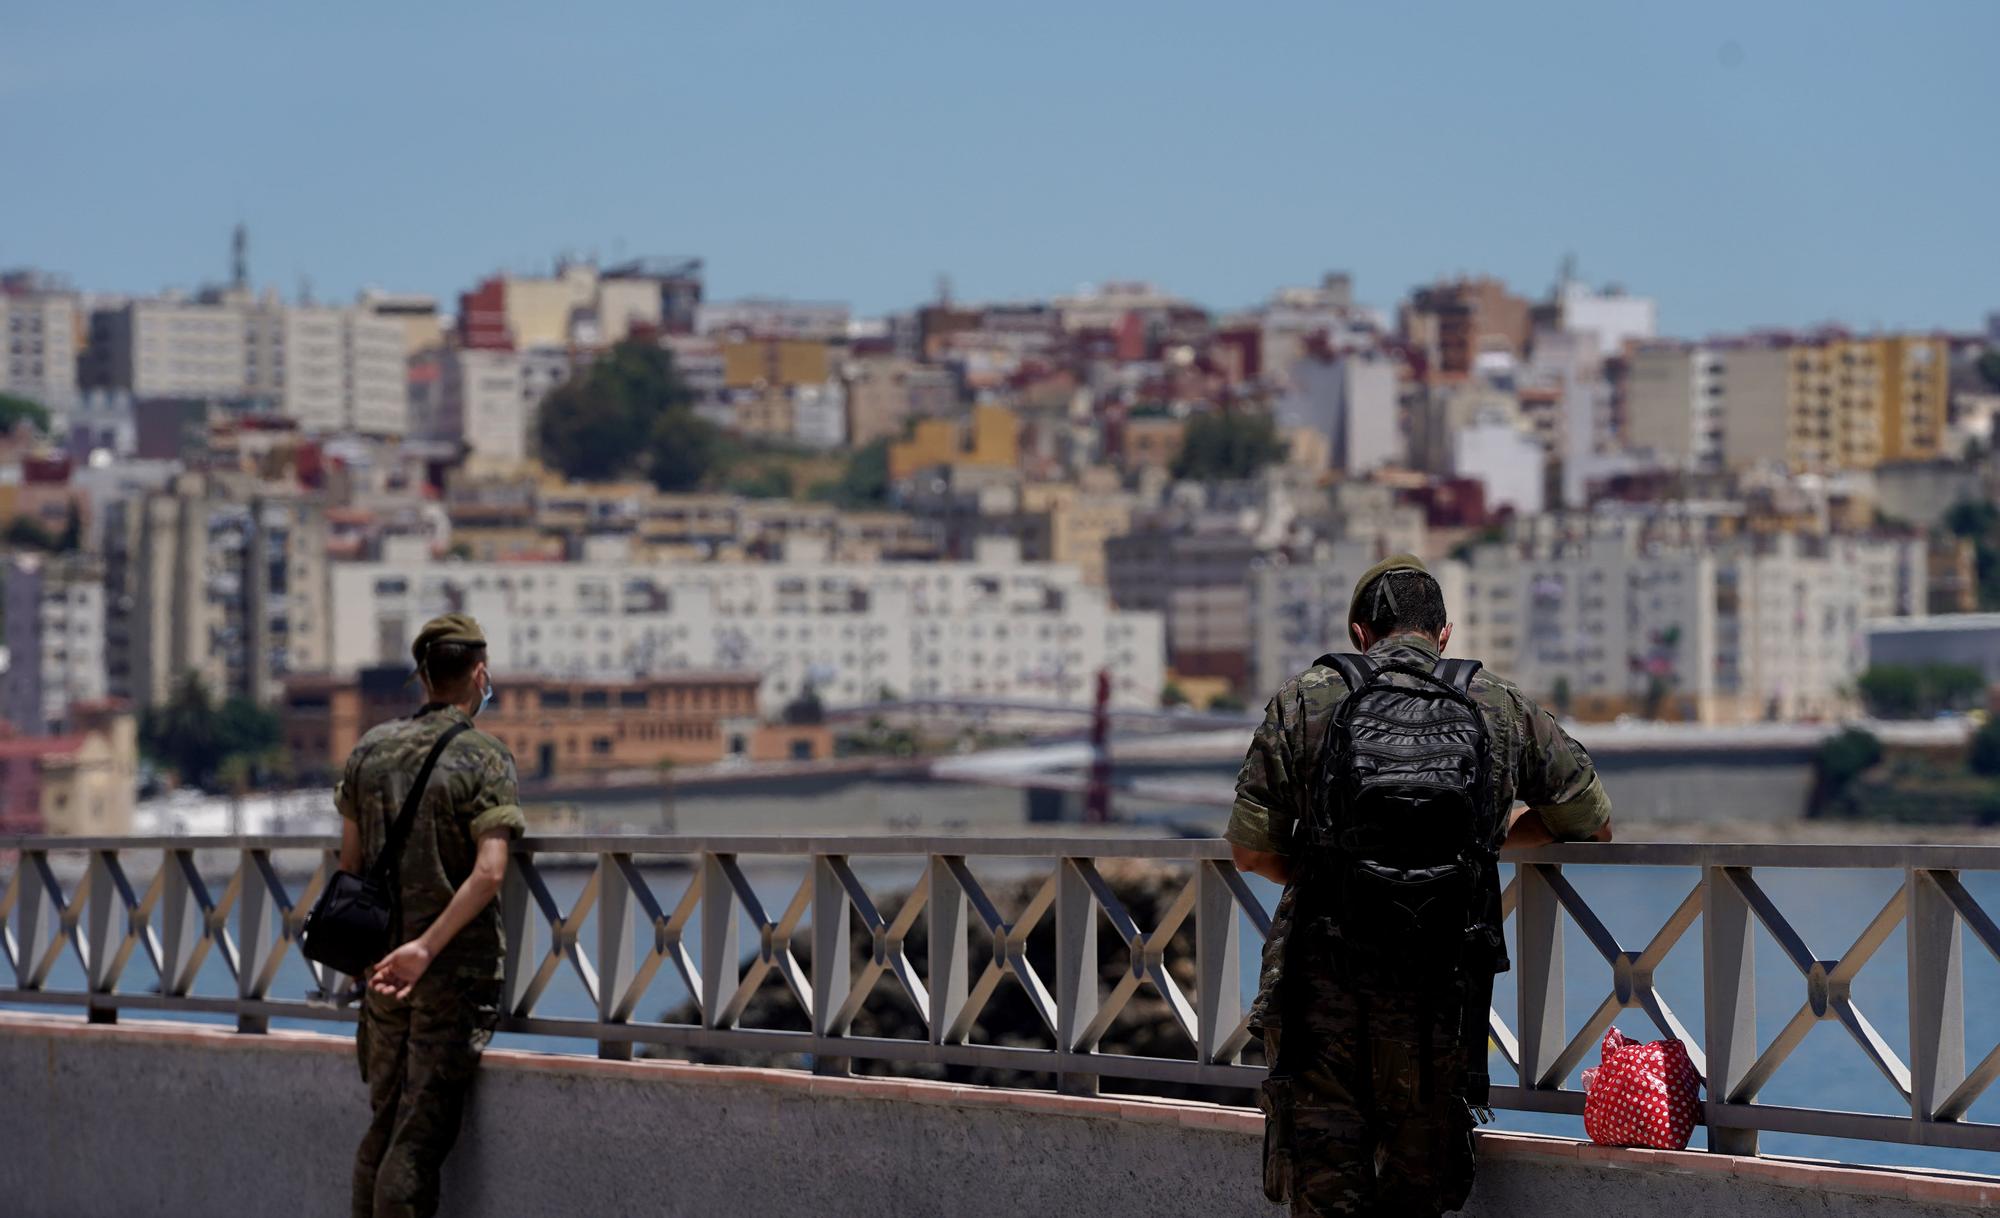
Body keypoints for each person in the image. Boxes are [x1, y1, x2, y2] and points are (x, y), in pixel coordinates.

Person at [1229, 555, 1612, 1217]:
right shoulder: (1494, 702)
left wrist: (1334, 877)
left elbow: (1250, 850)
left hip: (1324, 991)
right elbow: (1589, 821)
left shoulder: (1306, 699)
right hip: (1442, 991)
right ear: (1445, 633)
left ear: (1359, 632)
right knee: (1419, 1193)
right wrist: (1485, 842)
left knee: (1328, 1195)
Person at [337, 613, 525, 1218]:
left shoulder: (369, 750)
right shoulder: (485, 758)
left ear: (422, 676)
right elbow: (490, 870)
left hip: (381, 970)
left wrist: (383, 956)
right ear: (479, 674)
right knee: (418, 1139)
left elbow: (351, 867)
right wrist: (426, 949)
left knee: (385, 1123)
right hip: (447, 974)